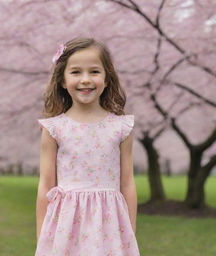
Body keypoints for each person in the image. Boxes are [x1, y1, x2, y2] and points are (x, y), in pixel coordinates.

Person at [35, 37, 140, 255]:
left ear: (107, 78)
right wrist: (43, 238)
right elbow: (46, 185)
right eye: (75, 72)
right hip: (67, 226)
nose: (85, 79)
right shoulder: (54, 129)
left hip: (110, 226)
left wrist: (129, 232)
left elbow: (127, 183)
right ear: (62, 80)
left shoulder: (121, 127)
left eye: (94, 71)